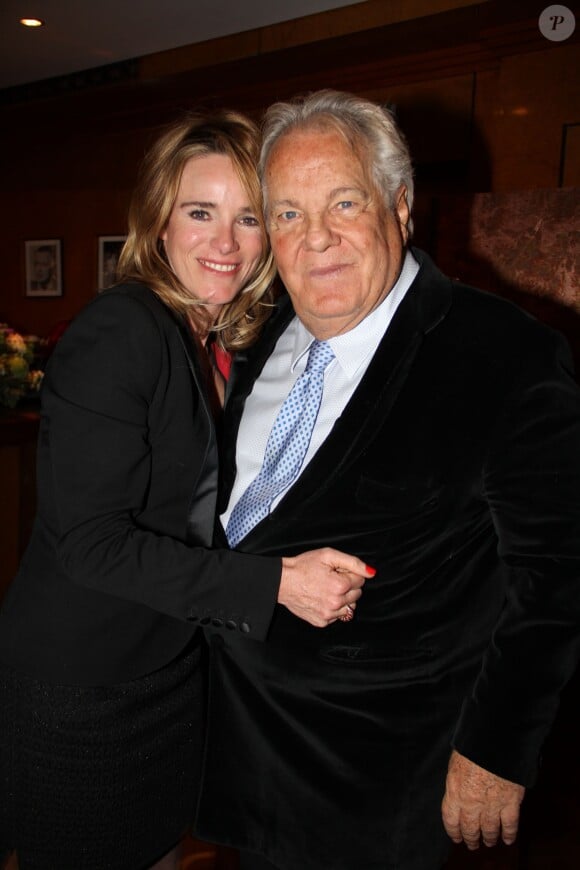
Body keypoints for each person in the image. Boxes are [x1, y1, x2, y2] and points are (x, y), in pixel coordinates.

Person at [195, 90, 580, 870]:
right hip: (247, 770)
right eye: (289, 215)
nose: (318, 239)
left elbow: (562, 579)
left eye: (345, 201)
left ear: (400, 206)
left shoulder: (502, 353)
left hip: (391, 791)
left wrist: (497, 751)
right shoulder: (260, 333)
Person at [0, 109, 371, 870]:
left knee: (160, 849)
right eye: (201, 212)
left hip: (166, 666)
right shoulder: (121, 331)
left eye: (247, 218)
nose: (226, 244)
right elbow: (92, 545)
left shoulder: (219, 341)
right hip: (83, 686)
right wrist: (273, 585)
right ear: (159, 224)